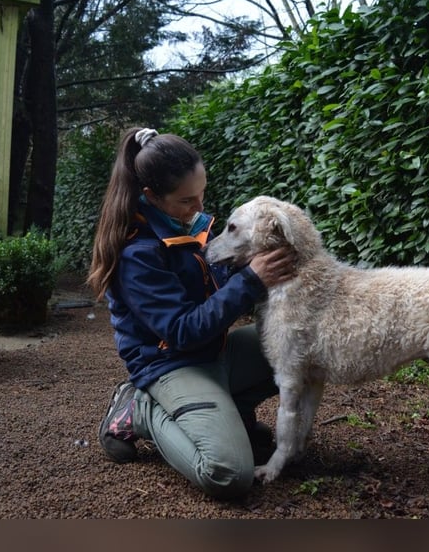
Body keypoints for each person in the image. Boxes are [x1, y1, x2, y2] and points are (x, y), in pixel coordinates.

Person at [87, 126, 296, 500]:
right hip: (171, 364)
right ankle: (139, 409)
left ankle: (230, 411)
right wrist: (250, 280)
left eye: (202, 192)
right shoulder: (138, 254)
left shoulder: (186, 223)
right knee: (229, 474)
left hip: (213, 351)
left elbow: (215, 290)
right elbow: (182, 331)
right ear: (151, 196)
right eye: (187, 200)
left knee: (300, 346)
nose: (200, 207)